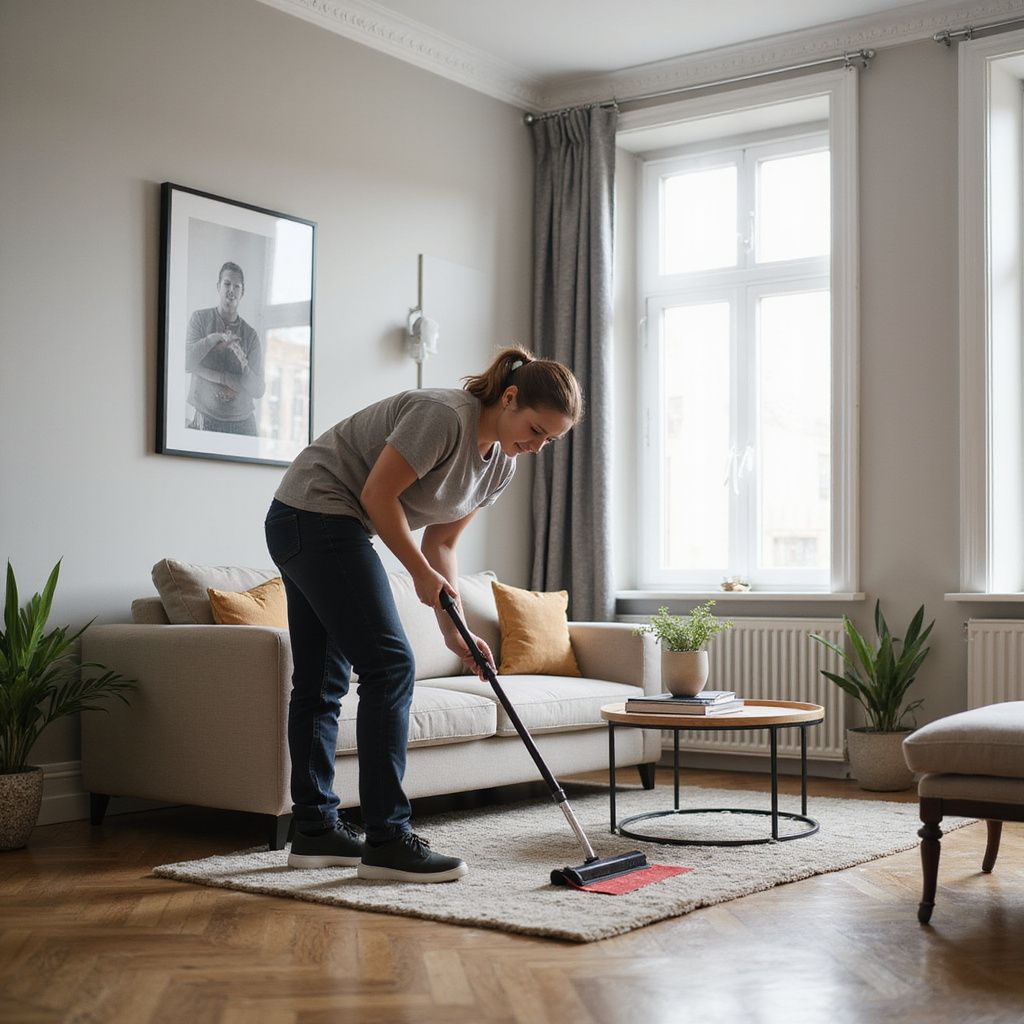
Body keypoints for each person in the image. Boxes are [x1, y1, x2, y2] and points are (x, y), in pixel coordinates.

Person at [264, 348, 581, 883]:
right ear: (508, 398)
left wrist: (455, 630)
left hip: (321, 522)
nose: (536, 446)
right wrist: (415, 574)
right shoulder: (443, 416)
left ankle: (314, 829)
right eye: (535, 429)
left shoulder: (500, 465)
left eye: (548, 440)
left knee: (321, 681)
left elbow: (443, 544)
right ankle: (388, 836)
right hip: (314, 512)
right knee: (390, 666)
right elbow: (377, 494)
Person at [185, 261, 266, 435]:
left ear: (242, 292)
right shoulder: (199, 319)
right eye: (227, 284)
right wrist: (212, 339)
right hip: (205, 418)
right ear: (218, 287)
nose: (231, 290)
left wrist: (244, 367)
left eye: (237, 286)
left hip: (244, 424)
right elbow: (186, 363)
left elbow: (258, 390)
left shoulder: (250, 335)